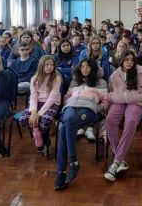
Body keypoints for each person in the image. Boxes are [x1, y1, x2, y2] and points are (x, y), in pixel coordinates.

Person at [54, 58, 109, 190]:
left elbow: (106, 102)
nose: (85, 69)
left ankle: (70, 164)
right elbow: (66, 98)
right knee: (65, 126)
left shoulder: (100, 82)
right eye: (82, 66)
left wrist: (97, 109)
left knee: (66, 124)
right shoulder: (74, 81)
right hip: (71, 108)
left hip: (88, 110)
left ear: (93, 68)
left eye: (88, 66)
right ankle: (64, 169)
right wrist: (67, 106)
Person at [104, 50, 142, 182]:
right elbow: (109, 93)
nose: (130, 62)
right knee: (109, 120)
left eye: (132, 60)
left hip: (135, 102)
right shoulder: (115, 75)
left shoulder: (141, 72)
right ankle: (120, 159)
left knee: (131, 121)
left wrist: (138, 96)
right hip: (119, 101)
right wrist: (115, 97)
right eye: (127, 59)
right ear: (121, 60)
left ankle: (116, 162)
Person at [19, 55, 62, 154]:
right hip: (37, 103)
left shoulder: (57, 78)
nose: (49, 67)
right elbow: (33, 96)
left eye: (51, 65)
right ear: (41, 65)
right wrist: (34, 112)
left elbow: (52, 98)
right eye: (47, 64)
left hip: (52, 103)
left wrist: (39, 114)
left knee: (44, 121)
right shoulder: (35, 78)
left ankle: (42, 137)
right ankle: (36, 132)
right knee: (23, 120)